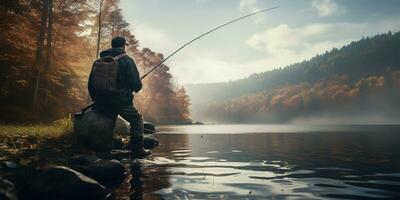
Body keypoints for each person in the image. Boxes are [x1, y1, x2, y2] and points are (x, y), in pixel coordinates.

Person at [88, 36, 151, 158]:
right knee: (137, 120)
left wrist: (96, 99)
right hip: (120, 101)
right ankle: (137, 150)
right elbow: (137, 85)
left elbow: (91, 84)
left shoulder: (98, 61)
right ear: (123, 46)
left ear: (112, 45)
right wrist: (132, 88)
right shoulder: (127, 60)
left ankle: (104, 150)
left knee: (109, 123)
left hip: (101, 101)